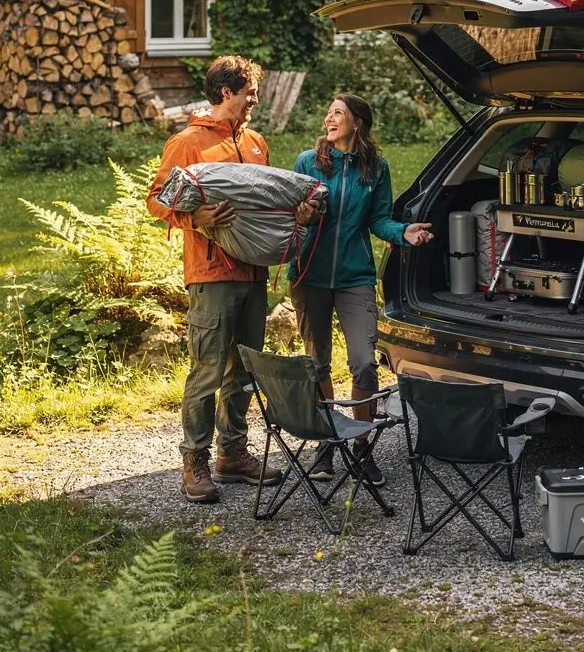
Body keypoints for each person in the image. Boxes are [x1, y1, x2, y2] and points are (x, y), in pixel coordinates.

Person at [147, 53, 283, 504]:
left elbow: (268, 200)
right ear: (226, 92)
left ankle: (233, 454)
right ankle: (194, 461)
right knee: (208, 368)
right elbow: (157, 199)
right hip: (211, 274)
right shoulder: (187, 143)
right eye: (249, 93)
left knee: (243, 367)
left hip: (254, 271)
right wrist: (195, 215)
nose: (254, 101)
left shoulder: (258, 143)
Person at [290, 93, 433, 487]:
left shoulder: (376, 168)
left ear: (357, 122)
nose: (328, 118)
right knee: (317, 363)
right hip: (310, 275)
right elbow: (288, 214)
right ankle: (326, 445)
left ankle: (362, 447)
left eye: (337, 113)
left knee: (365, 363)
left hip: (355, 278)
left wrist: (404, 232)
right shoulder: (308, 162)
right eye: (328, 111)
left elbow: (379, 220)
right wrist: (300, 215)